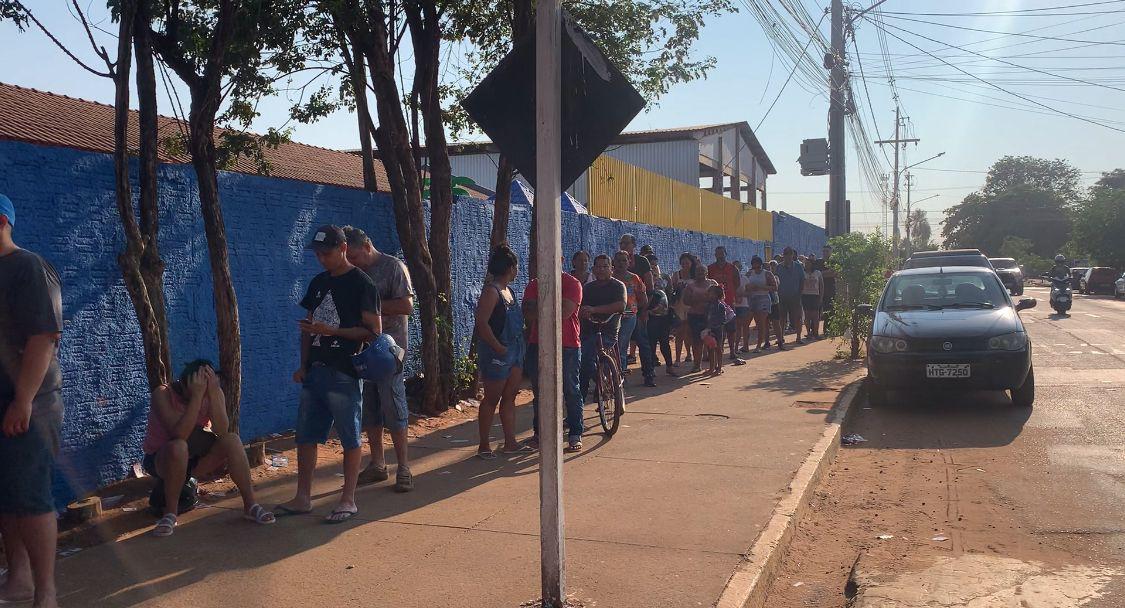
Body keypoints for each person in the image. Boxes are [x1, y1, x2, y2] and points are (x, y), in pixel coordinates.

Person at [278, 225, 382, 524]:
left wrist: (333, 330)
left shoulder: (363, 285)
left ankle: (348, 499)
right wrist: (303, 364)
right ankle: (303, 497)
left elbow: (373, 332)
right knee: (306, 436)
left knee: (349, 436)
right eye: (318, 254)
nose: (322, 259)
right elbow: (308, 327)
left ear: (343, 249)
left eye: (327, 253)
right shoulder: (318, 283)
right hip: (316, 371)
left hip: (345, 371)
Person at [0, 194, 62, 608]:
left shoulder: (28, 267)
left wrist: (22, 400)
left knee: (31, 497)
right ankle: (18, 579)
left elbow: (44, 337)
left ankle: (46, 593)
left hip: (29, 403)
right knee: (7, 496)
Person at [143, 360, 276, 537]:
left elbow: (222, 430)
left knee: (232, 440)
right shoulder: (163, 394)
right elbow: (179, 434)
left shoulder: (212, 392)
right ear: (184, 384)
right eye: (199, 389)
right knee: (179, 447)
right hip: (164, 459)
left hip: (195, 457)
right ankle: (170, 513)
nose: (203, 393)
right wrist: (197, 397)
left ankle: (250, 505)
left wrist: (213, 393)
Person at [342, 227, 415, 492]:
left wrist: (370, 307)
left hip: (389, 350)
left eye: (353, 255)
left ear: (366, 245)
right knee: (370, 408)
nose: (352, 261)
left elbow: (406, 306)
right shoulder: (353, 273)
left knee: (393, 405)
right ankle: (377, 463)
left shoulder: (393, 267)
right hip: (363, 349)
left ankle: (404, 466)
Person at [523, 259, 583, 452]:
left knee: (570, 390)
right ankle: (539, 433)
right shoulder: (533, 284)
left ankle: (575, 432)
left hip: (567, 345)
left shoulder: (572, 283)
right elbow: (528, 313)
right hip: (537, 344)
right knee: (540, 391)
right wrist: (552, 305)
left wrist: (541, 304)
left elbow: (565, 312)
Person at [472, 244, 525, 459]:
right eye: (516, 267)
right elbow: (482, 323)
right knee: (491, 399)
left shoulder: (509, 291)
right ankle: (484, 445)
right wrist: (497, 347)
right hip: (498, 353)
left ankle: (510, 442)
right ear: (511, 268)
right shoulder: (491, 292)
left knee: (510, 396)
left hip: (515, 350)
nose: (517, 271)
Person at [578, 255, 627, 402]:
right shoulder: (587, 288)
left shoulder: (618, 286)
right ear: (593, 269)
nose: (601, 269)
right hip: (589, 329)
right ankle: (579, 403)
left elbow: (620, 305)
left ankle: (607, 380)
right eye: (598, 267)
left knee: (598, 355)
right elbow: (581, 308)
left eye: (605, 266)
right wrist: (585, 313)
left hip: (609, 329)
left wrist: (594, 310)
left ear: (611, 269)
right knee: (584, 363)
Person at [612, 250, 656, 387]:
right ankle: (619, 376)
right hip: (614, 317)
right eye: (618, 260)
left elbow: (643, 298)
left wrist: (641, 311)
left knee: (642, 345)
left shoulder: (634, 278)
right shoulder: (610, 278)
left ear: (629, 262)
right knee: (619, 347)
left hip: (632, 316)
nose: (621, 263)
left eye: (624, 260)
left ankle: (648, 375)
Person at [682, 257, 718, 373]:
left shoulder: (713, 283)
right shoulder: (690, 286)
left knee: (711, 340)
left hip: (710, 316)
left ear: (706, 272)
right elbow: (685, 301)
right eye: (698, 271)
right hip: (695, 316)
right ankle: (697, 364)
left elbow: (720, 298)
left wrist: (706, 299)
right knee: (696, 341)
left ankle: (713, 365)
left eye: (702, 271)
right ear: (695, 273)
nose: (700, 274)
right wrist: (696, 300)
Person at [707, 247, 742, 363]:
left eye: (722, 254)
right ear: (715, 255)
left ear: (726, 254)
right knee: (717, 329)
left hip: (729, 303)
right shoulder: (710, 268)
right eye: (718, 254)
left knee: (731, 329)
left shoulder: (732, 268)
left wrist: (731, 293)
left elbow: (737, 283)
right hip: (715, 305)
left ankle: (732, 351)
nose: (720, 256)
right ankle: (718, 351)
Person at [644, 254, 676, 376]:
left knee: (664, 343)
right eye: (651, 264)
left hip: (664, 316)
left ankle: (669, 366)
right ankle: (651, 369)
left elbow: (668, 289)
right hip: (652, 316)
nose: (653, 267)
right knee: (651, 343)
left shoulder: (662, 278)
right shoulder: (645, 279)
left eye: (655, 264)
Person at [744, 256, 775, 353]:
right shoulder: (749, 274)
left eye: (758, 266)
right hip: (751, 298)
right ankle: (745, 345)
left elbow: (774, 287)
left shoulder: (767, 274)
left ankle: (758, 346)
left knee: (761, 323)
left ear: (761, 265)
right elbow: (744, 286)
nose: (756, 268)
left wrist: (760, 287)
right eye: (754, 266)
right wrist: (749, 288)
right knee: (745, 323)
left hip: (763, 298)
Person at [775, 247, 806, 343]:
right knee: (782, 318)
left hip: (795, 297)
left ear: (793, 255)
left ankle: (798, 337)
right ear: (783, 255)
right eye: (786, 254)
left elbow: (802, 281)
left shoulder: (798, 267)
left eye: (790, 254)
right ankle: (781, 338)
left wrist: (799, 293)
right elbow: (776, 280)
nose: (788, 256)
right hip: (782, 297)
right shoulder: (779, 267)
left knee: (798, 317)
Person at [702, 285, 731, 376]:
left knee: (719, 348)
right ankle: (711, 368)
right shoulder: (707, 305)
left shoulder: (721, 306)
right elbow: (706, 318)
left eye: (710, 293)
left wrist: (713, 327)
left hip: (719, 330)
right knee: (710, 348)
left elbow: (722, 320)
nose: (708, 294)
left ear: (716, 295)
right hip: (710, 330)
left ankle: (719, 368)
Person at [801, 256, 824, 339]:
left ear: (812, 264)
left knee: (815, 316)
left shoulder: (817, 273)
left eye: (808, 264)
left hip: (815, 296)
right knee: (807, 316)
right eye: (805, 264)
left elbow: (821, 285)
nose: (807, 265)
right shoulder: (802, 273)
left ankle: (816, 333)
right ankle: (808, 333)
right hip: (805, 295)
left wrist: (821, 297)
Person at [766, 259, 787, 351]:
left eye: (771, 267)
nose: (770, 269)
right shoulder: (762, 277)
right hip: (765, 302)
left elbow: (775, 287)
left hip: (774, 302)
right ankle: (766, 342)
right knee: (765, 323)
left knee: (776, 322)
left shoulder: (776, 277)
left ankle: (780, 341)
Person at [816, 247, 836, 336]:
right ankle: (814, 331)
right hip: (818, 289)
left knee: (829, 310)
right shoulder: (818, 262)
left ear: (831, 252)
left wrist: (822, 274)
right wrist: (828, 272)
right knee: (816, 310)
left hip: (829, 289)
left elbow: (835, 273)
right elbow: (816, 274)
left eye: (827, 251)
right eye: (823, 251)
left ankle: (827, 330)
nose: (825, 253)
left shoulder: (833, 262)